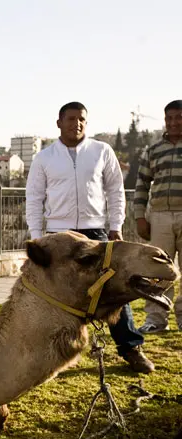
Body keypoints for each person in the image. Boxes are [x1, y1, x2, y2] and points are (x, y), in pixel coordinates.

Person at [25, 101, 154, 374]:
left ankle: (131, 348)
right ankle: (48, 353)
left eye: (81, 118)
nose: (77, 123)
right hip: (58, 235)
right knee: (54, 294)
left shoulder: (101, 151)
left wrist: (115, 225)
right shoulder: (44, 158)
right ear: (59, 123)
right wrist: (37, 238)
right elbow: (34, 199)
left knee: (114, 289)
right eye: (71, 119)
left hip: (95, 231)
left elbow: (116, 192)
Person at [134, 100, 182, 333]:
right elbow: (142, 185)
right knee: (157, 270)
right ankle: (156, 319)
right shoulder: (153, 150)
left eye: (179, 117)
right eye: (169, 118)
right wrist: (140, 217)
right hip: (160, 217)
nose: (173, 122)